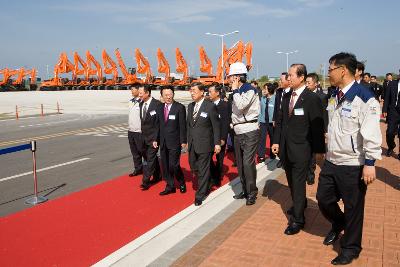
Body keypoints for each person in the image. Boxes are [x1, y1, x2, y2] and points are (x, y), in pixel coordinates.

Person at [316, 52, 382, 265]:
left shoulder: (365, 97)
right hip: (332, 159)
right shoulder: (336, 94)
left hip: (353, 164)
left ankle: (351, 248)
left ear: (343, 70)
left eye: (330, 69)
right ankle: (338, 222)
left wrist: (370, 164)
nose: (328, 73)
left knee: (354, 208)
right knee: (324, 199)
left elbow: (371, 132)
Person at [271, 63, 325, 235]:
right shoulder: (286, 96)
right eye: (287, 75)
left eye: (291, 75)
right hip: (286, 149)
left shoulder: (311, 99)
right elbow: (280, 122)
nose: (288, 78)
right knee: (292, 182)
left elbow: (317, 128)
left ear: (301, 77)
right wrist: (276, 141)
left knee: (298, 183)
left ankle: (298, 220)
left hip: (302, 150)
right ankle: (299, 204)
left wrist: (318, 152)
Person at [229, 62, 260, 206]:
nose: (229, 79)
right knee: (241, 164)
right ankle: (245, 190)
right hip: (238, 130)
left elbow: (241, 106)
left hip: (250, 130)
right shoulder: (237, 90)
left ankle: (252, 192)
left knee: (248, 163)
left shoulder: (250, 89)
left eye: (231, 76)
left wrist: (235, 91)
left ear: (238, 77)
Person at [187, 82, 221, 206]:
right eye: (191, 91)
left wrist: (217, 143)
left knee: (203, 169)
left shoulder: (209, 106)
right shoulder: (190, 106)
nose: (192, 93)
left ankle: (200, 194)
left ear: (202, 92)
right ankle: (209, 180)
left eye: (194, 91)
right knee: (193, 167)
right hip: (192, 144)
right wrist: (186, 141)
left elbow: (216, 126)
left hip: (205, 144)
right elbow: (189, 126)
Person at [157, 85, 187, 195]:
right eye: (166, 95)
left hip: (175, 141)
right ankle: (170, 186)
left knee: (173, 165)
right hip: (163, 141)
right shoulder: (160, 107)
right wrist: (156, 139)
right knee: (165, 165)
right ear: (162, 96)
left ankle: (181, 181)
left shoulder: (179, 107)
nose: (168, 97)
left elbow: (182, 126)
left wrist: (183, 141)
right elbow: (158, 125)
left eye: (170, 94)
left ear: (173, 94)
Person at [305, 73, 329, 185]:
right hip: (305, 128)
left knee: (313, 153)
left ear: (316, 84)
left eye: (309, 83)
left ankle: (311, 173)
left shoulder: (322, 97)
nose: (307, 85)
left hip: (316, 129)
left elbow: (324, 114)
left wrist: (325, 130)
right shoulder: (303, 95)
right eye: (306, 82)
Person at [139, 84, 162, 190]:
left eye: (141, 93)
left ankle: (145, 181)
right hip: (144, 138)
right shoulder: (141, 104)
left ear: (147, 93)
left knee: (150, 160)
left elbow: (158, 124)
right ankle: (158, 175)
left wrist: (156, 139)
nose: (139, 95)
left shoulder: (157, 104)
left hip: (154, 139)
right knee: (149, 158)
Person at [208, 83, 230, 187]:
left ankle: (217, 178)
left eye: (210, 92)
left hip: (220, 137)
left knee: (219, 158)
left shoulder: (224, 105)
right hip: (209, 137)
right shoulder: (208, 104)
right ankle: (213, 175)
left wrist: (223, 138)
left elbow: (225, 123)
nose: (209, 94)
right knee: (208, 157)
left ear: (217, 93)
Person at [127, 83, 144, 177]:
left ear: (138, 90)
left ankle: (150, 170)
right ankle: (138, 169)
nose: (132, 91)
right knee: (135, 152)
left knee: (143, 152)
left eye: (133, 89)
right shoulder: (130, 101)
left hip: (139, 131)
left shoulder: (142, 102)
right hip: (131, 131)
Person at [382, 75, 400, 159]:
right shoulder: (392, 83)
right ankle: (391, 146)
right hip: (393, 111)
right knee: (390, 132)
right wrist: (384, 109)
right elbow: (387, 97)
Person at [257, 83, 276, 162]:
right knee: (262, 139)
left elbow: (277, 111)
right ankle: (261, 156)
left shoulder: (275, 99)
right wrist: (258, 121)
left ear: (270, 90)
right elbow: (260, 111)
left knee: (272, 138)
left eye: (265, 88)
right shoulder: (262, 98)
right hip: (263, 121)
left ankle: (273, 153)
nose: (264, 90)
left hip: (272, 122)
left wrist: (276, 120)